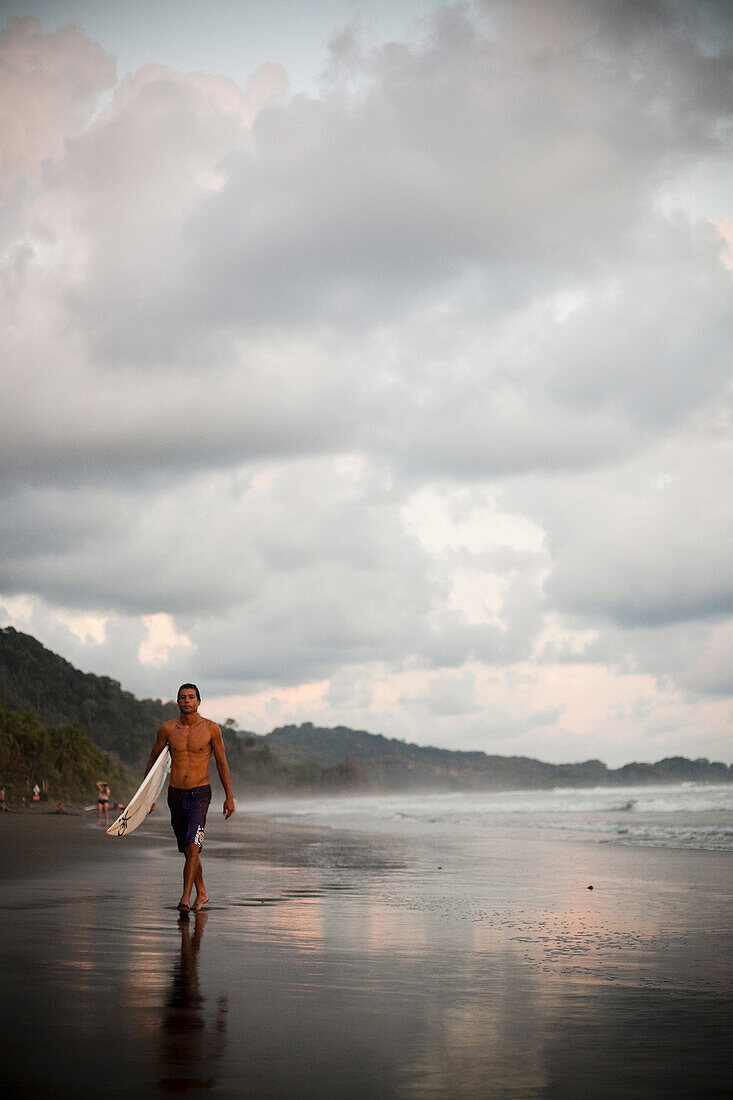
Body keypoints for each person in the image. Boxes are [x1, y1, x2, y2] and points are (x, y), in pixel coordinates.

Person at [146, 683, 235, 913]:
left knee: (193, 846)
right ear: (178, 702)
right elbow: (154, 760)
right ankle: (202, 892)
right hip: (175, 794)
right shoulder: (167, 729)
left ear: (199, 701)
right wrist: (148, 795)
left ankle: (185, 898)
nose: (187, 701)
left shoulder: (211, 729)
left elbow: (221, 762)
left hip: (200, 793)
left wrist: (229, 796)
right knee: (187, 849)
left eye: (191, 697)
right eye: (183, 697)